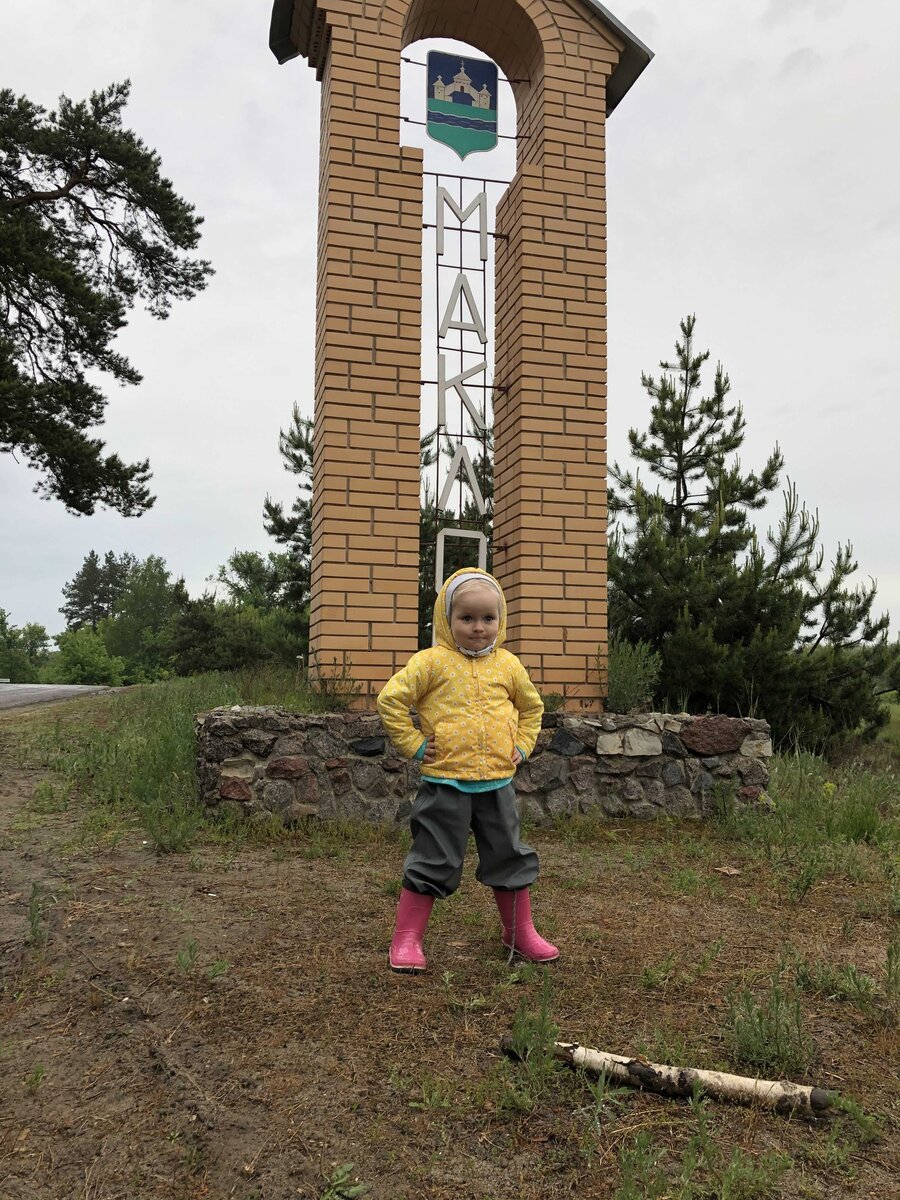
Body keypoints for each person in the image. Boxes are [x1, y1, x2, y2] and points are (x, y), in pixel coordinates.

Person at [377, 567, 559, 973]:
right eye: (467, 618)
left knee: (509, 855)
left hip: (497, 784)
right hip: (445, 783)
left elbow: (532, 708)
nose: (478, 627)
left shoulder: (509, 665)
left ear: (501, 619)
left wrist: (522, 745)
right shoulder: (430, 663)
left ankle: (519, 932)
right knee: (433, 857)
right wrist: (415, 744)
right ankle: (406, 938)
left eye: (488, 618)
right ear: (447, 619)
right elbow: (390, 700)